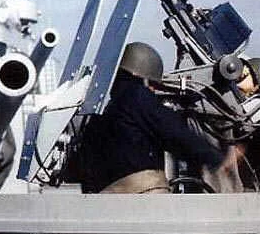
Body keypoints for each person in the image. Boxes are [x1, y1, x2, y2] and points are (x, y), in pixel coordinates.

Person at [80, 42, 225, 193]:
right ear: (143, 78)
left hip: (106, 196)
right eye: (153, 85)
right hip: (142, 193)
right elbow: (173, 132)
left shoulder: (104, 110)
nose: (153, 91)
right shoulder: (136, 95)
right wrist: (215, 158)